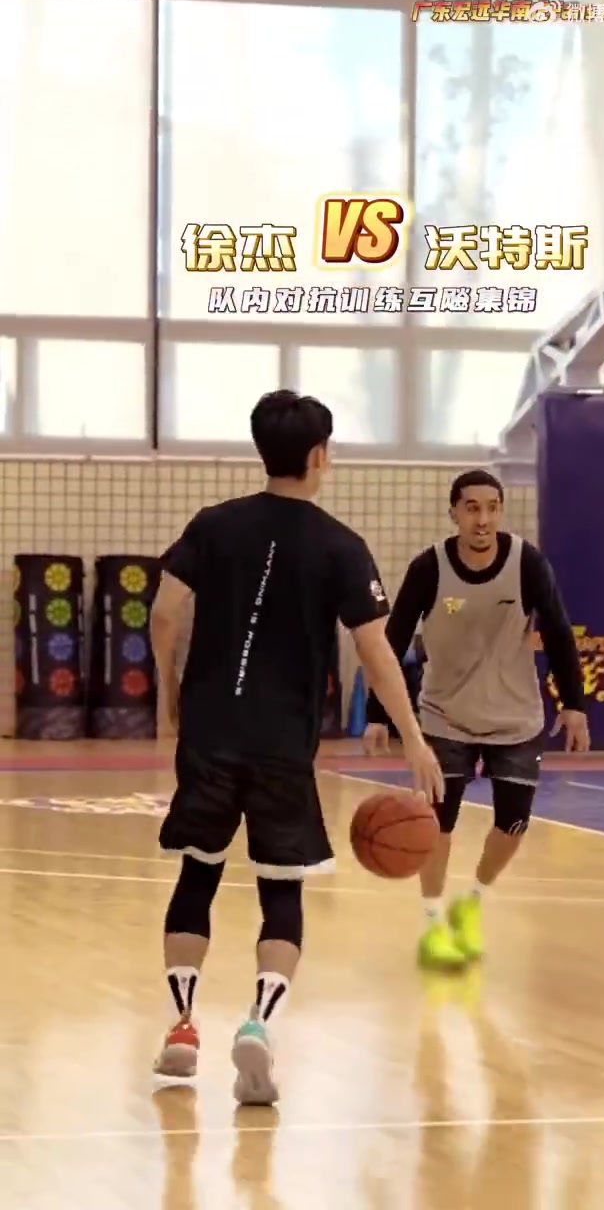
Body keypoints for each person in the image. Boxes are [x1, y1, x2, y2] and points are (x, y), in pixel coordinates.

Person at [150, 390, 443, 1105]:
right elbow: (376, 650)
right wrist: (413, 738)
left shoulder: (213, 524)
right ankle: (258, 1023)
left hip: (210, 734)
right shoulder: (341, 545)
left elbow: (162, 613)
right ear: (319, 455)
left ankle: (183, 1025)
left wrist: (169, 693)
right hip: (282, 745)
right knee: (281, 891)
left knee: (197, 876)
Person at [363, 469, 589, 971]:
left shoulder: (527, 563)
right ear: (454, 513)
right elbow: (393, 640)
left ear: (500, 512)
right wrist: (378, 714)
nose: (483, 519)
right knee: (435, 824)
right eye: (472, 508)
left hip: (516, 716)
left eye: (492, 508)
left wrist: (574, 704)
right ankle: (433, 924)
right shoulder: (430, 567)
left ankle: (473, 901)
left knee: (513, 824)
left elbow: (557, 632)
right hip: (445, 716)